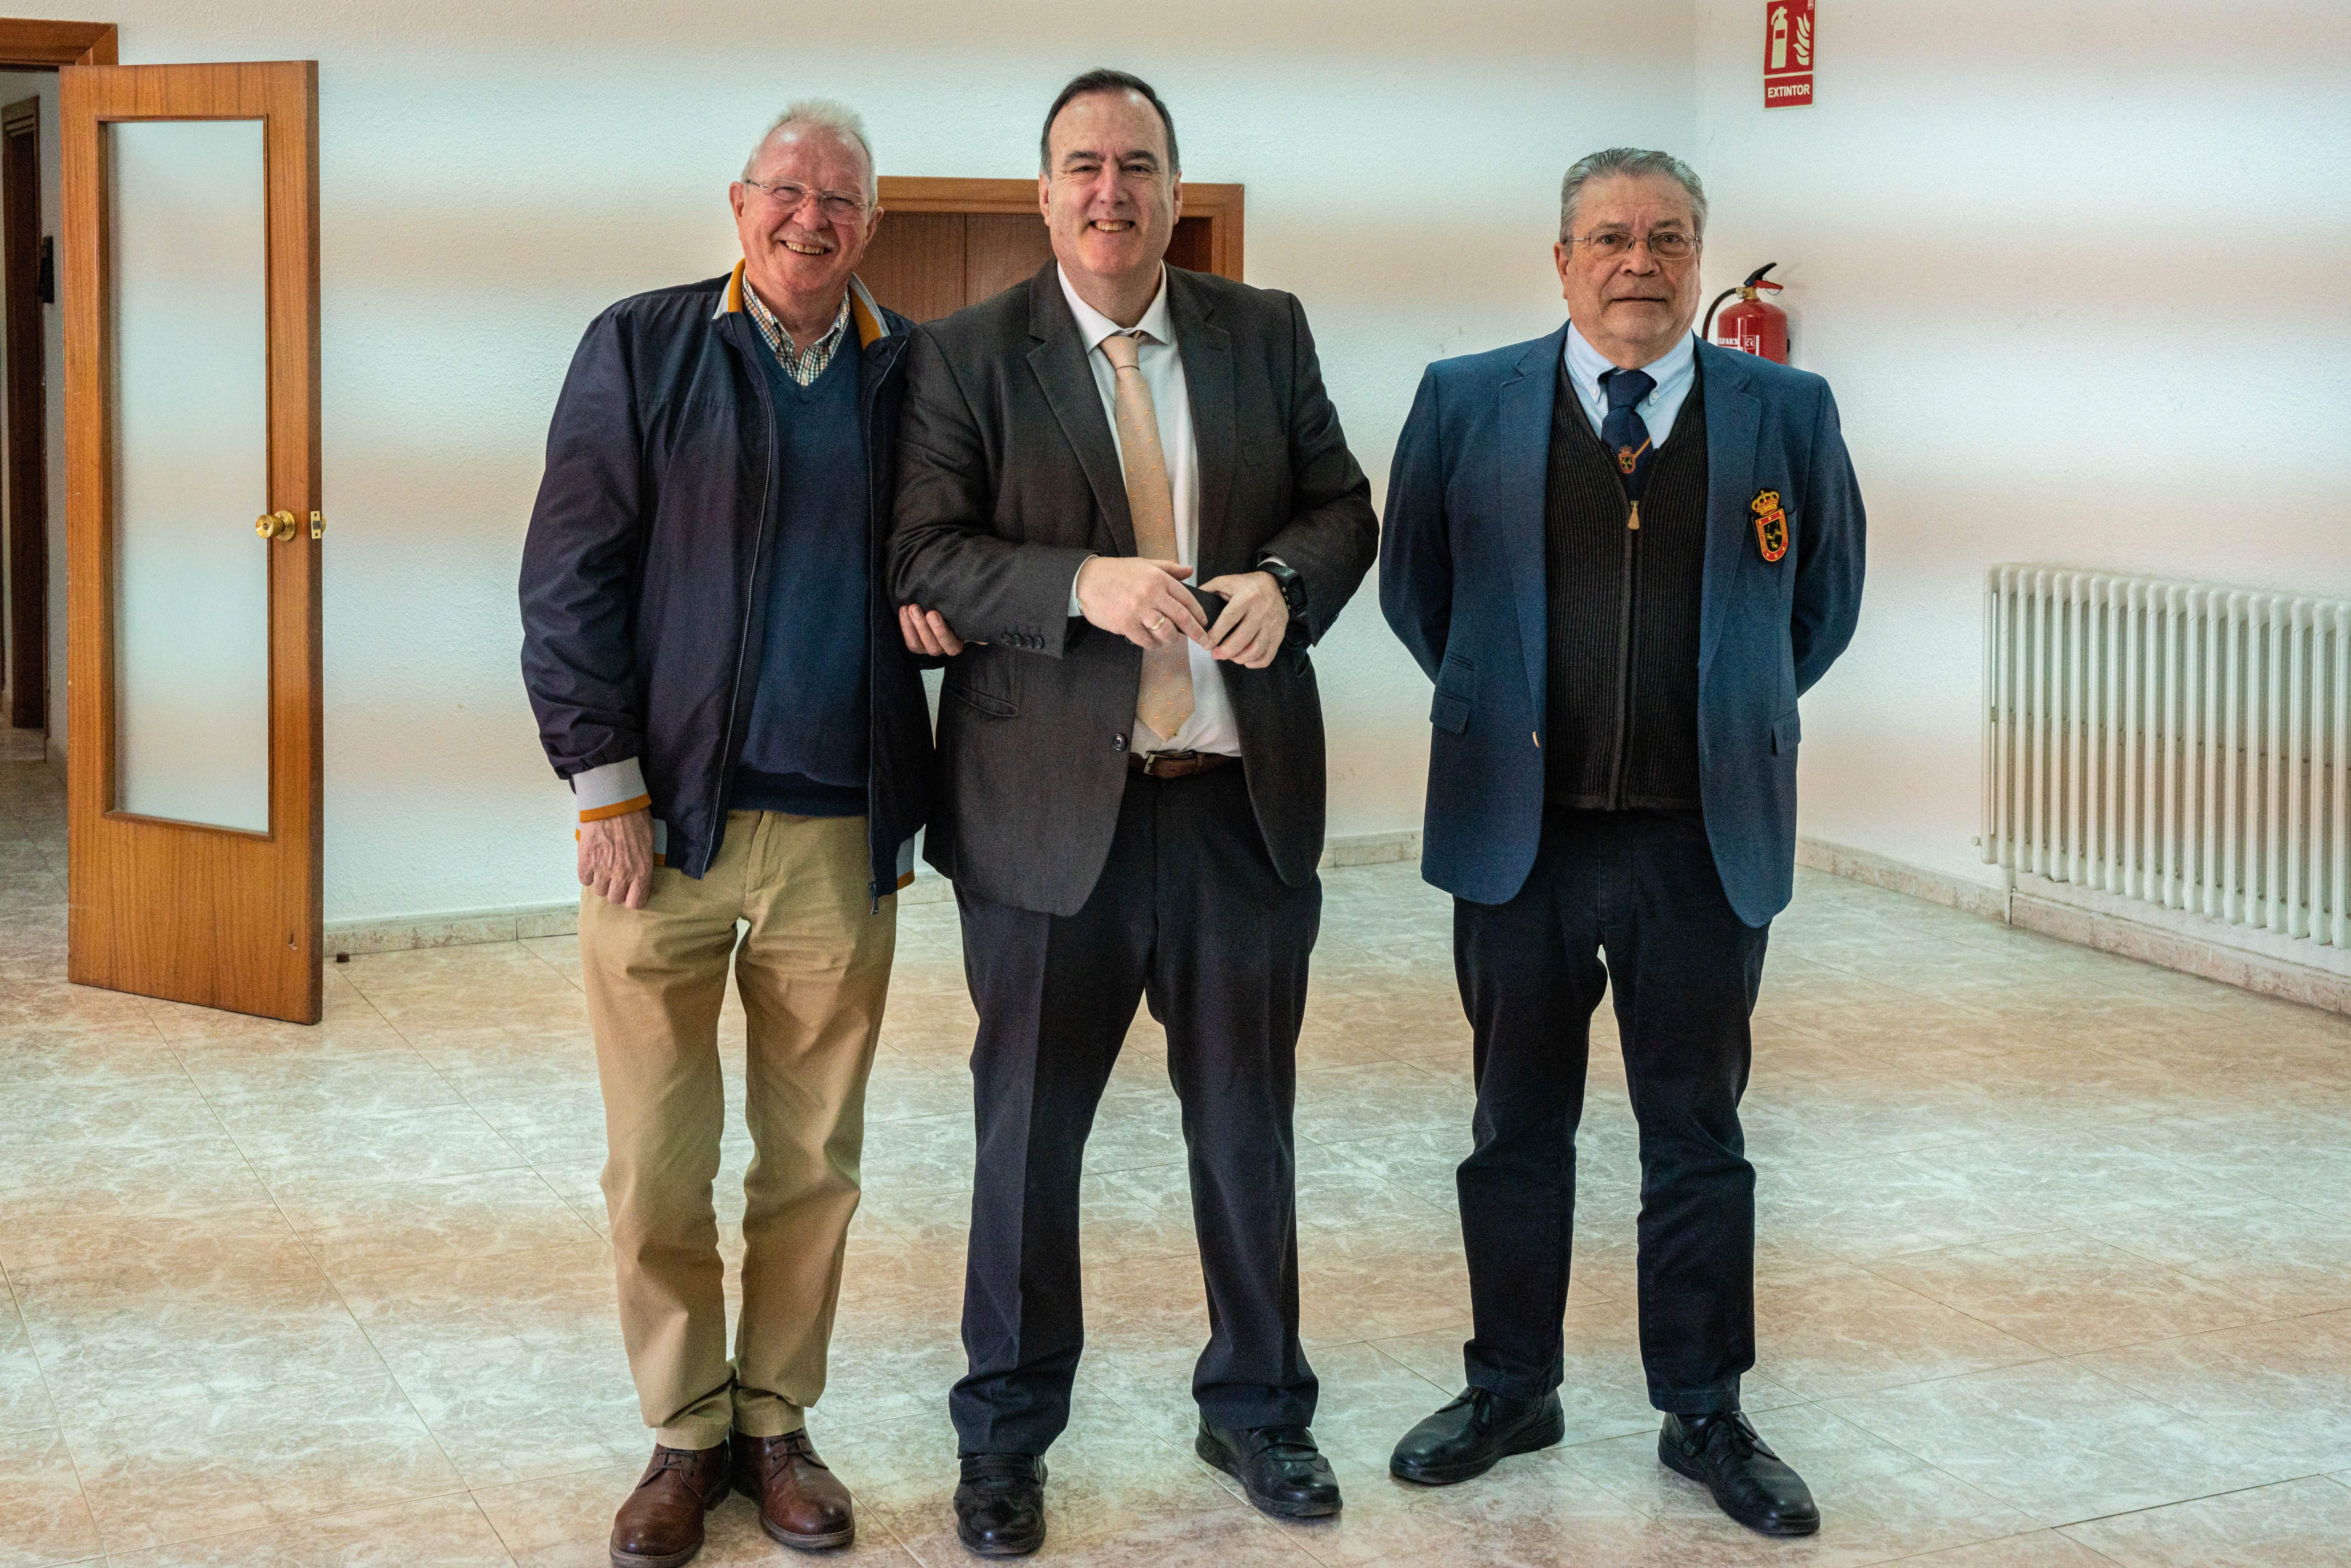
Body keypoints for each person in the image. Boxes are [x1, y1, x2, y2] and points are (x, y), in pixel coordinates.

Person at [889, 67, 1378, 1559]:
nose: (1111, 190)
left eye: (1139, 165)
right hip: (1044, 823)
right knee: (1025, 1138)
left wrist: (1285, 589)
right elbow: (920, 550)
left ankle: (1256, 1408)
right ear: (1043, 194)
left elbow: (1341, 510)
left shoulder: (1263, 332)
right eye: (1083, 166)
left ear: (1174, 190)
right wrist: (1074, 584)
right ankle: (1007, 1436)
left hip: (1235, 811)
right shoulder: (968, 355)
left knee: (1247, 1129)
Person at [1377, 147, 1865, 1538]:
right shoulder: (1464, 403)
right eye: (1606, 238)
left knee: (1695, 1136)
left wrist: (1724, 718)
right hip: (1515, 842)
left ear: (1698, 255)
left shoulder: (1785, 410)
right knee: (1511, 1129)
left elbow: (1813, 606)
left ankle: (1702, 1408)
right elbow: (1423, 594)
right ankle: (1510, 1385)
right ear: (1560, 261)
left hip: (1699, 846)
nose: (1634, 261)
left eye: (1663, 237)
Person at [518, 101, 935, 1567]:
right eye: (785, 192)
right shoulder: (639, 345)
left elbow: (949, 555)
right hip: (664, 828)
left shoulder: (914, 372)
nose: (808, 219)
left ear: (869, 225)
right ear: (738, 203)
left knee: (813, 1154)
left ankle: (778, 1423)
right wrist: (604, 782)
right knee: (657, 1157)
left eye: (838, 200)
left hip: (841, 824)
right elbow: (568, 575)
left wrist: (947, 610)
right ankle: (684, 1433)